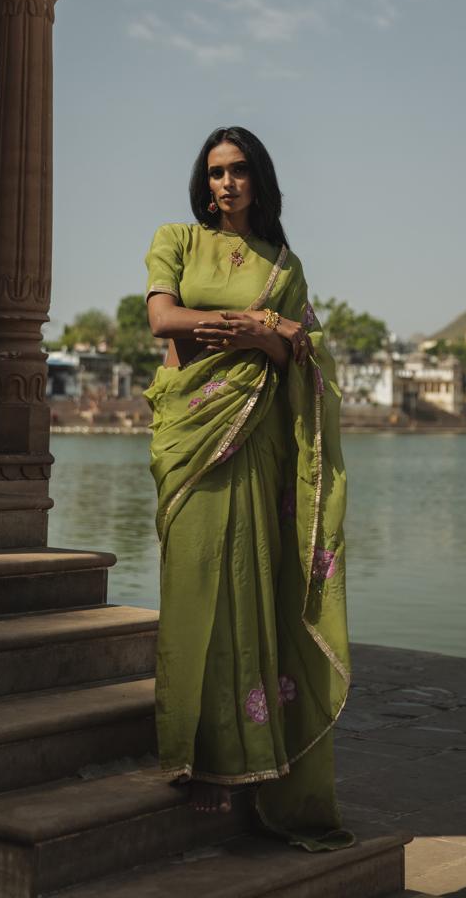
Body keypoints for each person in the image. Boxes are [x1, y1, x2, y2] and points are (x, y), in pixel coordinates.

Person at [143, 126, 354, 851]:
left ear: (258, 179)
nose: (225, 183)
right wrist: (257, 326)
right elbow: (162, 320)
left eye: (237, 170)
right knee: (194, 581)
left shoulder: (284, 264)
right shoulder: (176, 239)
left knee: (247, 584)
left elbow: (304, 352)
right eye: (215, 172)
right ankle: (193, 751)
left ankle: (245, 757)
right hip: (190, 432)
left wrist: (270, 335)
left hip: (255, 436)